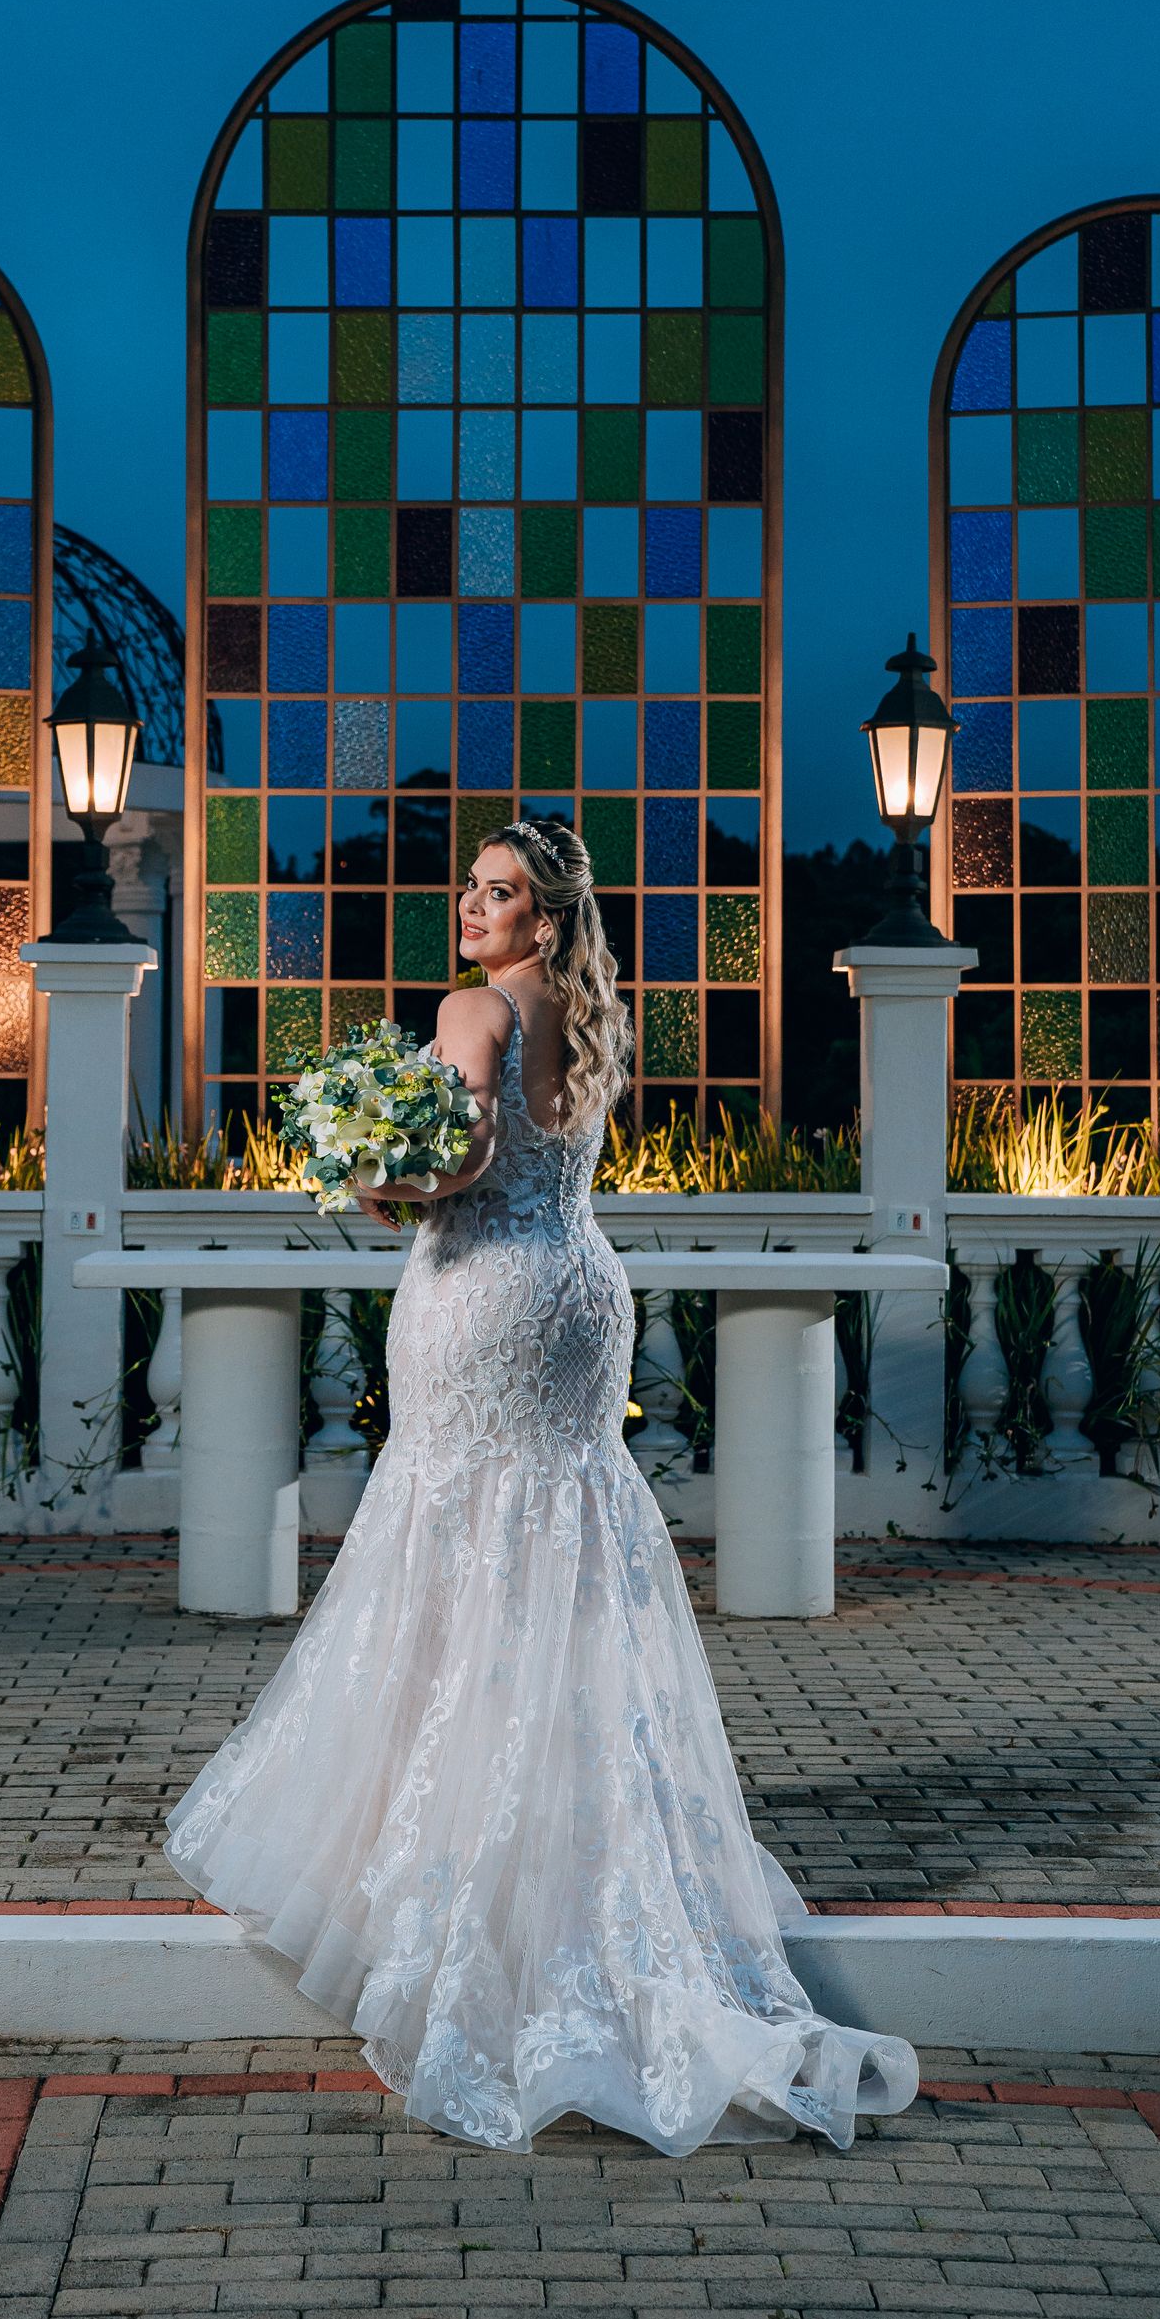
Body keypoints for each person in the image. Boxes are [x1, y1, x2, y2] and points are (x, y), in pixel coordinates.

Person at [164, 820, 917, 2156]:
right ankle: (560, 1813)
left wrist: (363, 1169)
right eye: (470, 887)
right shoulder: (586, 1017)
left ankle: (450, 1852)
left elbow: (449, 1171)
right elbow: (526, 1161)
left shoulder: (471, 1009)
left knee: (456, 1535)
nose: (471, 906)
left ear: (546, 919)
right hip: (578, 1295)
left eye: (499, 892)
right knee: (559, 1540)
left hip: (484, 1300)